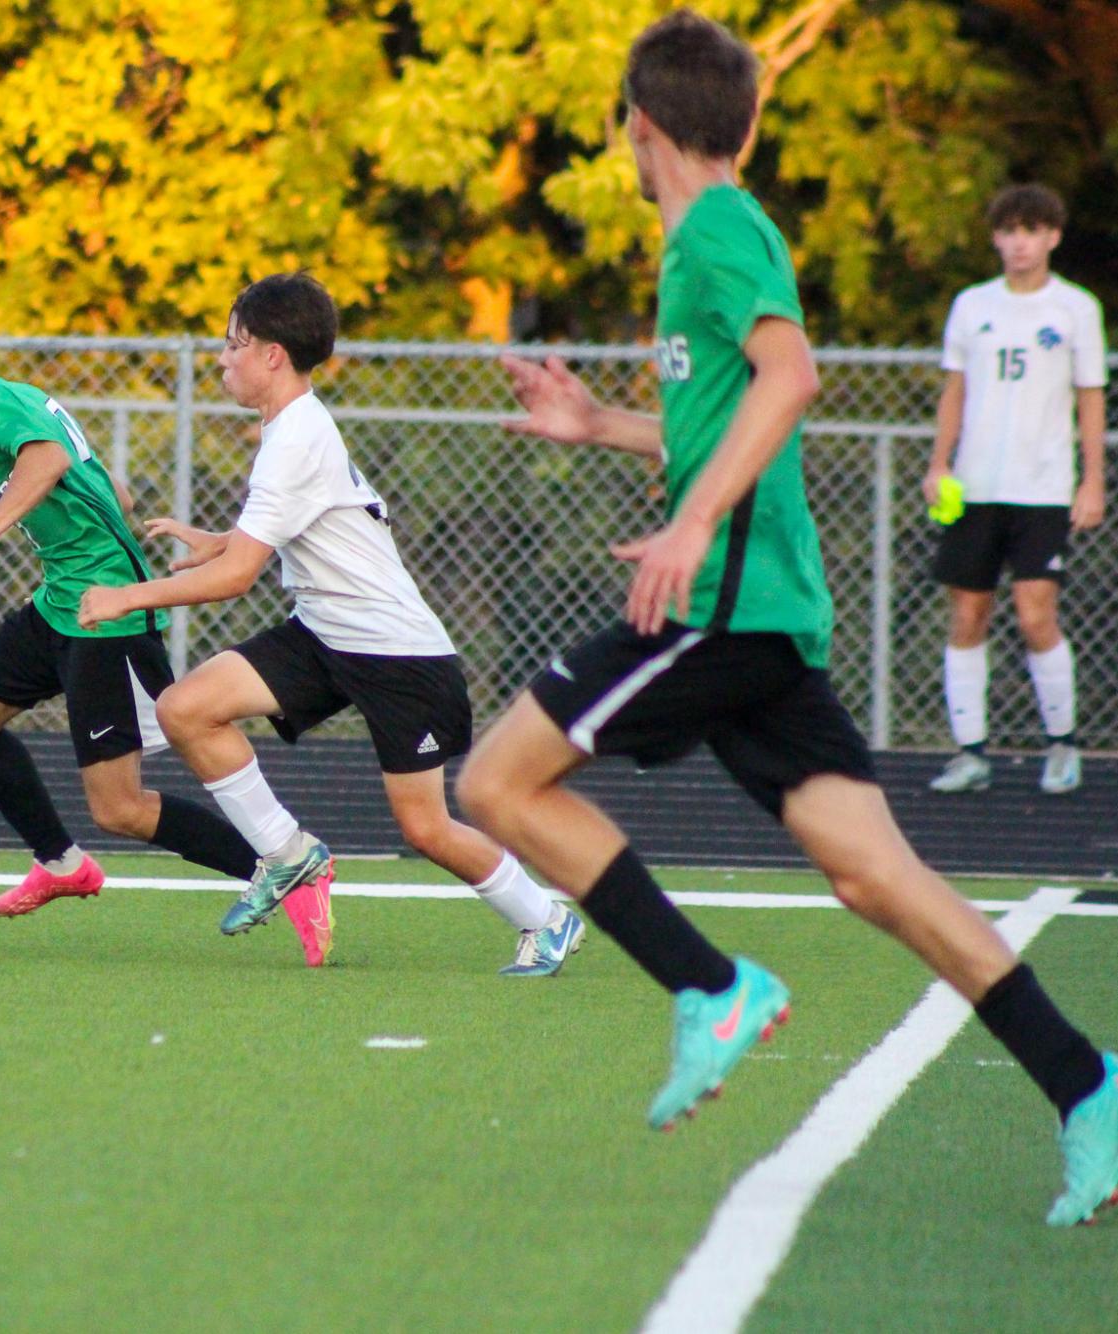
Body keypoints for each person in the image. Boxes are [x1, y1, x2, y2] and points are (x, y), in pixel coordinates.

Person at [453, 10, 1116, 1226]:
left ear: (637, 128)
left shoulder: (708, 232)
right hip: (767, 617)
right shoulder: (722, 234)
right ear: (750, 123)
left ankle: (709, 984)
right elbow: (731, 421)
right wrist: (600, 425)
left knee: (494, 784)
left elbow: (792, 378)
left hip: (722, 611)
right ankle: (1090, 1085)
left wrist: (695, 525)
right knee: (880, 880)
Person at [77, 273, 585, 973]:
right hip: (322, 633)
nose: (222, 359)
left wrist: (125, 597)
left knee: (425, 827)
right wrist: (218, 537)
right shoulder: (291, 426)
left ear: (271, 356)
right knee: (186, 709)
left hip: (397, 656)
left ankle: (547, 919)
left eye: (232, 346)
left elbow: (235, 582)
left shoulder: (294, 438)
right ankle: (288, 855)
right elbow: (304, 526)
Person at [0, 310, 261, 914]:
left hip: (104, 614)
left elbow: (48, 461)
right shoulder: (0, 399)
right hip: (60, 601)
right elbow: (115, 494)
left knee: (119, 809)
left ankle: (277, 867)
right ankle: (61, 863)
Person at [922, 184, 1107, 796]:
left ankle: (1062, 744)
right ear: (996, 237)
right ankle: (970, 752)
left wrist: (1092, 479)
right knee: (968, 613)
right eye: (1010, 230)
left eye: (1033, 230)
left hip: (1044, 487)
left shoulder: (1075, 308)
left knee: (1035, 614)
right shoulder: (972, 305)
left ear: (1053, 237)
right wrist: (938, 463)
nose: (1020, 242)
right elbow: (956, 390)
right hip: (975, 487)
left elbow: (1089, 396)